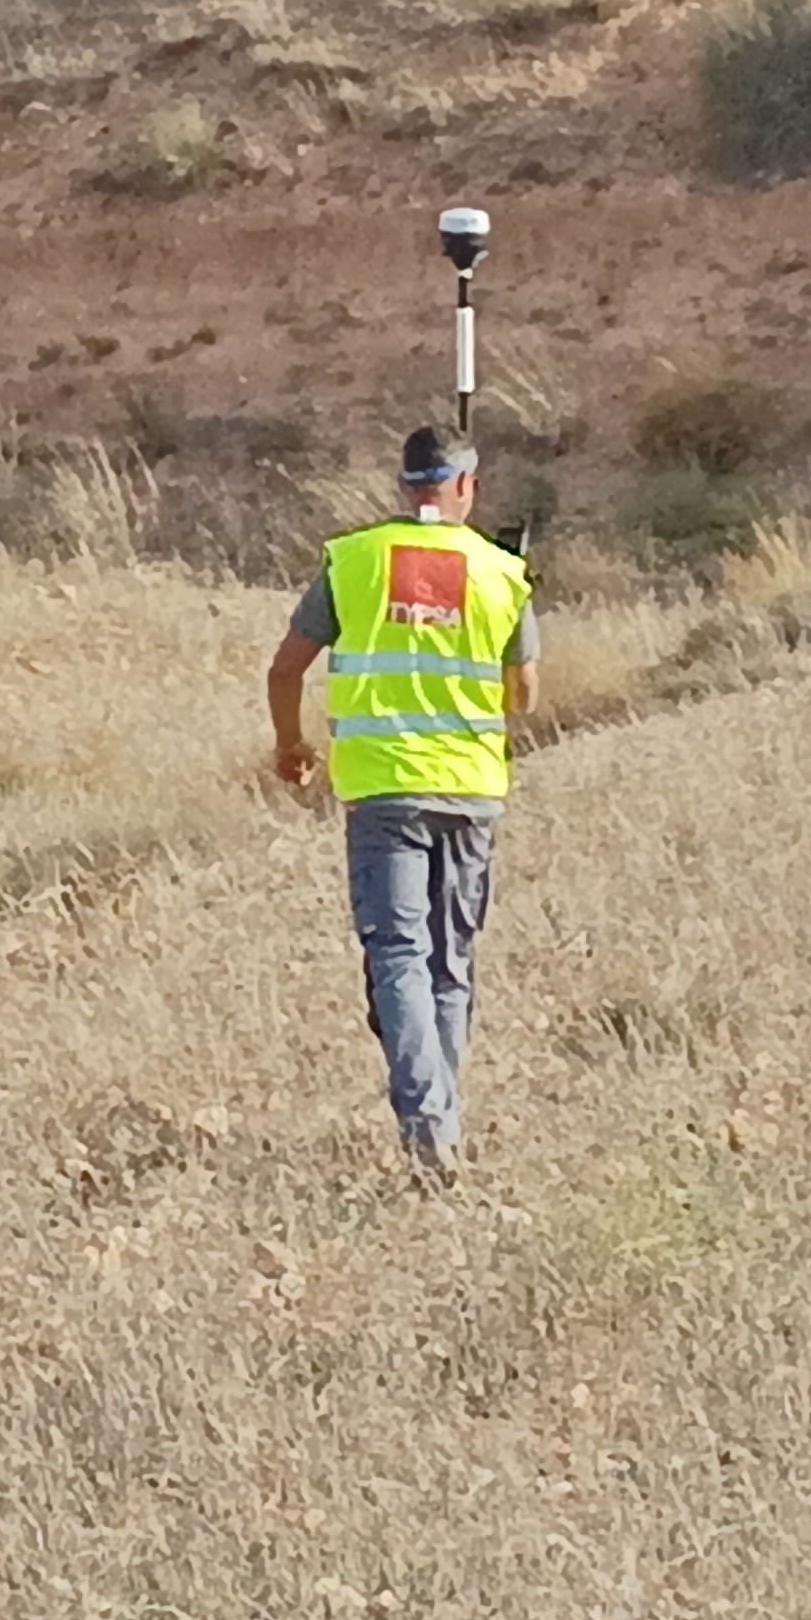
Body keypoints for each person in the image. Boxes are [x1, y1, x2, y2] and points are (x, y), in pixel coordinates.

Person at [266, 427, 538, 1184]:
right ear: (466, 486)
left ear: (404, 484)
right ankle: (438, 1124)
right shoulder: (501, 570)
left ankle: (429, 1124)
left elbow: (285, 668)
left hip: (383, 788)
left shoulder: (352, 560)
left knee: (398, 957)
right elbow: (526, 693)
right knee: (449, 964)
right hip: (473, 789)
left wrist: (291, 744)